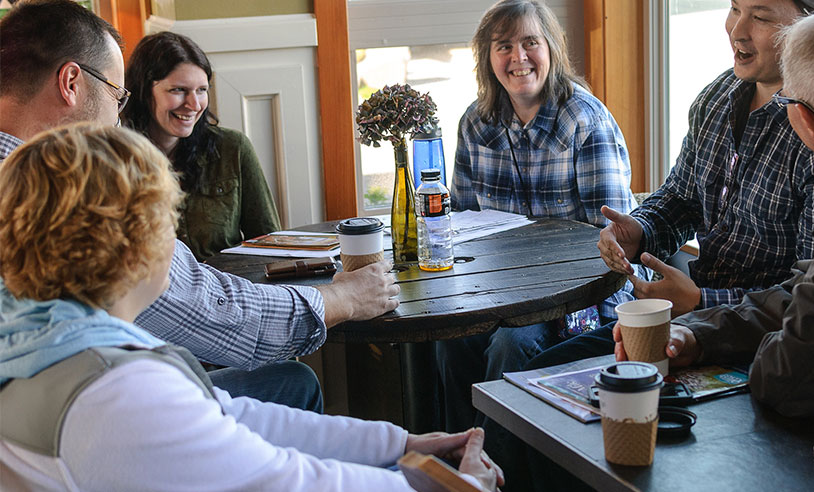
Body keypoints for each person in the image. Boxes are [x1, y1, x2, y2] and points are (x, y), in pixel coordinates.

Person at [0, 123, 503, 491]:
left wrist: (401, 444)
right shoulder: (115, 391)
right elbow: (281, 481)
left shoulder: (49, 342)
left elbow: (233, 416)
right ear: (138, 244)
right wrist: (452, 488)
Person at [0, 0, 399, 412]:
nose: (115, 119)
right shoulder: (69, 187)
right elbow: (200, 309)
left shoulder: (227, 148)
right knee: (294, 384)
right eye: (115, 96)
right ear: (70, 83)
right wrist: (343, 299)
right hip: (89, 412)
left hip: (31, 425)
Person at [526, 0, 814, 371]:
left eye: (761, 18)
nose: (737, 30)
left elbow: (811, 295)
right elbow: (682, 198)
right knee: (531, 380)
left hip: (764, 347)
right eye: (734, 8)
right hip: (691, 320)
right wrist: (639, 229)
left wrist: (699, 301)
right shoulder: (718, 97)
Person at [617, 7, 814, 437]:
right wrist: (700, 336)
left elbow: (786, 380)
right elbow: (813, 293)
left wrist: (737, 335)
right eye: (734, 8)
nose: (738, 28)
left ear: (805, 120)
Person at [436, 0, 647, 433]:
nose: (518, 57)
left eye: (530, 42)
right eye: (503, 46)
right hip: (498, 294)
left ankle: (496, 464)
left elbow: (616, 242)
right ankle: (460, 457)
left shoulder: (584, 120)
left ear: (551, 48)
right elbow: (462, 225)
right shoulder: (475, 123)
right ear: (487, 58)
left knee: (511, 346)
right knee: (448, 342)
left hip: (581, 299)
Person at [122, 31, 280, 261]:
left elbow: (269, 243)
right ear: (145, 90)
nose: (194, 105)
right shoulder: (116, 160)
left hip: (230, 288)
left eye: (202, 90)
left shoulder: (233, 148)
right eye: (178, 90)